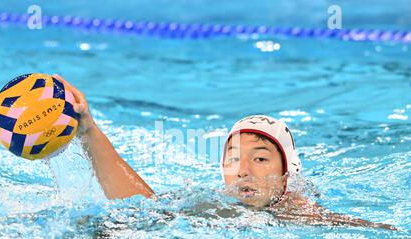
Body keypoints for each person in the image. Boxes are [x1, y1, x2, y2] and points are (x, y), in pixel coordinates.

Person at [52, 74, 396, 230]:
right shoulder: (214, 203)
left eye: (260, 158)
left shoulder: (303, 213)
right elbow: (141, 206)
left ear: (287, 172)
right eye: (232, 158)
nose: (242, 170)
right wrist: (89, 132)